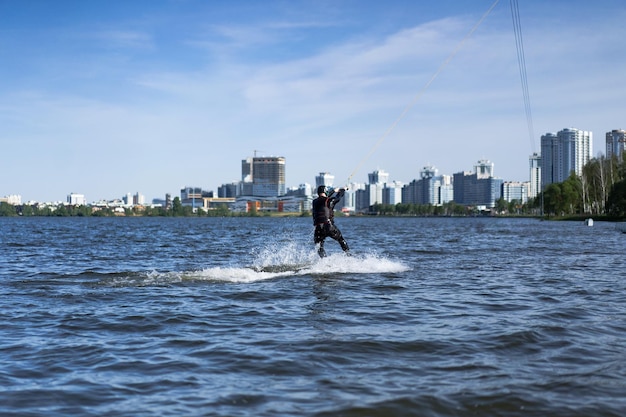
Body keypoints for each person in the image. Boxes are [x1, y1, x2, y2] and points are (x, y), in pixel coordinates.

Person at [312, 185, 350, 258]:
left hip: (318, 229)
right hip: (329, 227)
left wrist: (333, 191)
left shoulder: (314, 202)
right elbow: (338, 197)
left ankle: (324, 261)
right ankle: (349, 256)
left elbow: (323, 197)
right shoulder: (329, 201)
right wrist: (343, 189)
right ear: (326, 192)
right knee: (341, 240)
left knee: (320, 247)